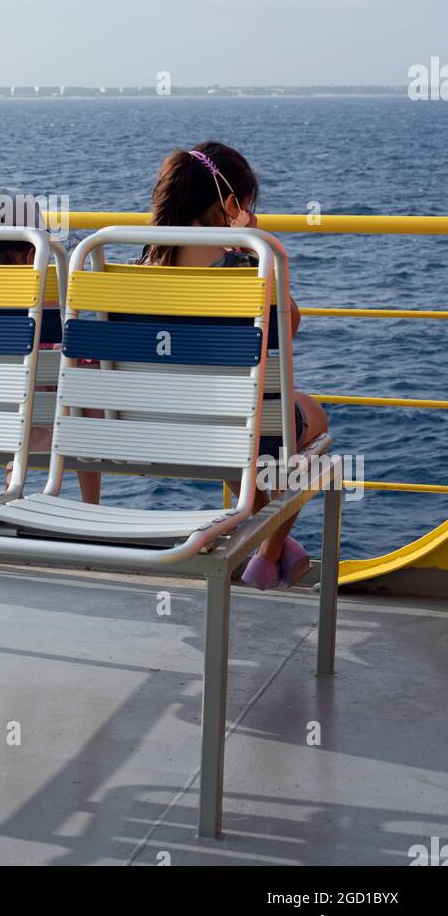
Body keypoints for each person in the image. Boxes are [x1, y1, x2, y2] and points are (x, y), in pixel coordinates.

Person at [140, 141, 328, 588]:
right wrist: (257, 247)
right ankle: (268, 554)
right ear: (231, 206)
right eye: (246, 206)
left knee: (242, 422)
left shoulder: (138, 265)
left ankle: (274, 548)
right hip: (231, 431)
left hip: (155, 431)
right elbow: (290, 325)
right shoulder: (246, 269)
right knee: (310, 420)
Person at [0, 190, 101, 505]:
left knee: (22, 418)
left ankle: (11, 493)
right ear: (32, 254)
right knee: (82, 374)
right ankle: (91, 503)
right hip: (68, 423)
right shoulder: (52, 302)